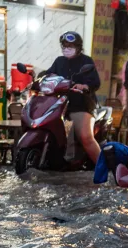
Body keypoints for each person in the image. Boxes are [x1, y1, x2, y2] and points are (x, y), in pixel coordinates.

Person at [47, 31, 101, 164]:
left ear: (78, 46)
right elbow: (48, 75)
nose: (67, 48)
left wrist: (84, 86)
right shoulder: (59, 61)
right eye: (65, 45)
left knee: (85, 136)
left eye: (71, 45)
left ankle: (105, 169)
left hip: (81, 104)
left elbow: (95, 82)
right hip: (60, 105)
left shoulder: (86, 61)